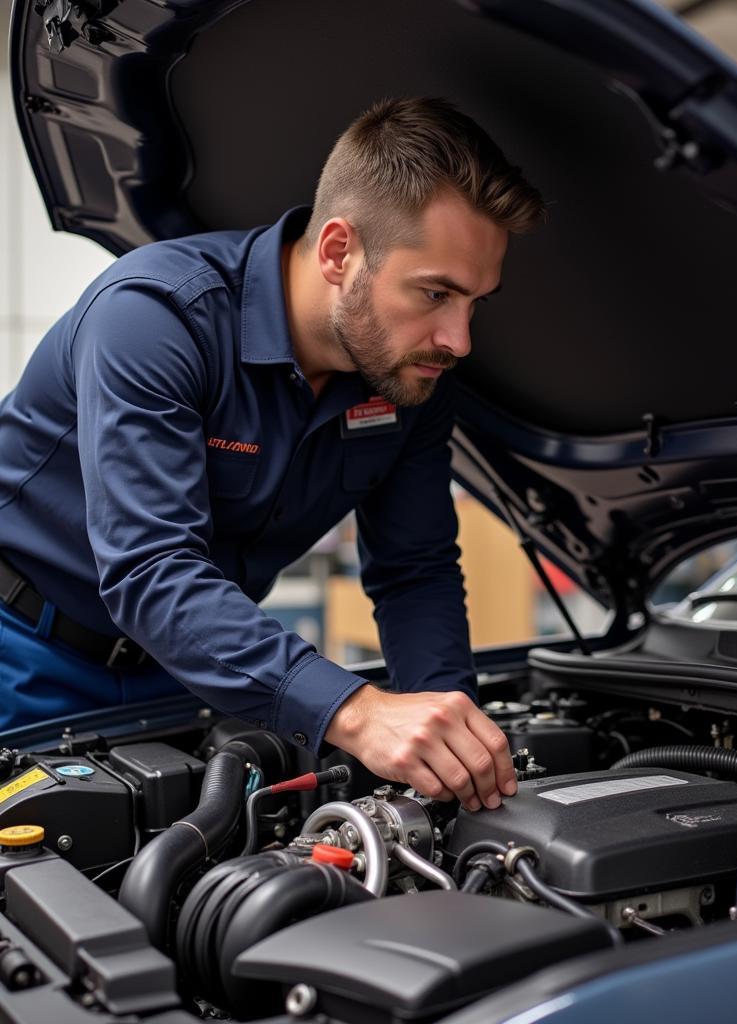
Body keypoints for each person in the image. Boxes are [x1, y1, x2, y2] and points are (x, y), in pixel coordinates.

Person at [0, 97, 545, 812]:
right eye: (435, 293)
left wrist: (452, 743)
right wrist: (355, 711)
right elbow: (150, 569)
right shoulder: (156, 317)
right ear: (338, 252)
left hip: (193, 671)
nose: (458, 338)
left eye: (475, 302)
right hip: (21, 654)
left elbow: (415, 571)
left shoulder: (411, 375)